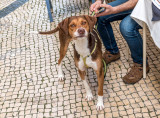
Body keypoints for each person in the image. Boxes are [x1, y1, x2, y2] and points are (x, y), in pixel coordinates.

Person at [90, 0, 150, 84]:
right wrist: (98, 1)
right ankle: (112, 51)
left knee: (126, 27)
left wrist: (114, 9)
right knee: (100, 16)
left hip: (149, 5)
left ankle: (141, 63)